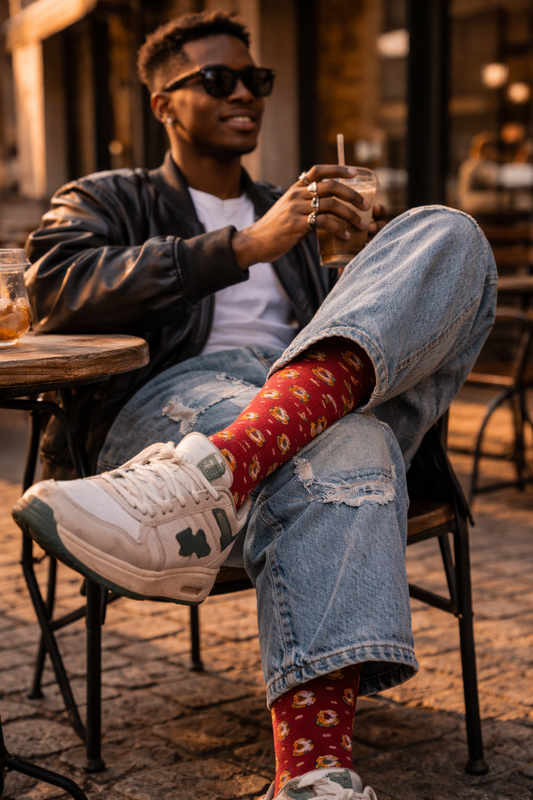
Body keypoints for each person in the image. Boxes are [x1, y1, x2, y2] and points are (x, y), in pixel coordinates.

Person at [13, 10, 497, 800]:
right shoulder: (108, 196)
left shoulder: (302, 208)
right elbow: (55, 288)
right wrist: (243, 246)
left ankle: (218, 475)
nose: (243, 92)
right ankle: (315, 773)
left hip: (297, 394)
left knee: (448, 233)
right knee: (349, 445)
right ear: (163, 103)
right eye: (217, 79)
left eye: (255, 79)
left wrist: (363, 275)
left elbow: (352, 338)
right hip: (171, 397)